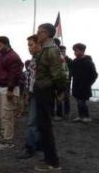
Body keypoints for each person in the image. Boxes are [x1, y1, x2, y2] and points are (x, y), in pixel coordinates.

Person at [32, 24, 66, 171]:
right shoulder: (44, 49)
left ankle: (53, 162)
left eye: (39, 32)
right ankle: (48, 157)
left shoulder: (52, 50)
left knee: (45, 126)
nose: (37, 34)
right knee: (42, 125)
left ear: (46, 33)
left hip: (46, 90)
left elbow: (58, 74)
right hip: (41, 89)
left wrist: (59, 91)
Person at [0, 36, 22, 151]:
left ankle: (8, 140)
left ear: (6, 44)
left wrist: (10, 89)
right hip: (1, 87)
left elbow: (15, 74)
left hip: (9, 89)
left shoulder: (12, 57)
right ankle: (4, 134)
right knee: (1, 114)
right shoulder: (1, 56)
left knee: (7, 116)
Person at [19, 35, 43, 160]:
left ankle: (29, 147)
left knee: (32, 122)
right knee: (36, 121)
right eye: (28, 45)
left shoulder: (44, 58)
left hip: (42, 94)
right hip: (34, 93)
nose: (29, 48)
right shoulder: (34, 58)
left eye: (31, 44)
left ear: (39, 44)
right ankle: (37, 144)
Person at [70, 43, 98, 123]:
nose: (75, 52)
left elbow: (94, 74)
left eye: (76, 51)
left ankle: (86, 117)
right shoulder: (74, 61)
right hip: (76, 85)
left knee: (82, 102)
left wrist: (88, 83)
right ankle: (80, 116)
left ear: (82, 50)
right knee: (78, 102)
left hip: (85, 86)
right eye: (74, 51)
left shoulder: (88, 61)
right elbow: (72, 72)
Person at [53, 46, 72, 121]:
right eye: (61, 51)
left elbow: (72, 70)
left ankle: (67, 113)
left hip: (67, 82)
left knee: (66, 97)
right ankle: (59, 114)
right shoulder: (55, 61)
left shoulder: (69, 60)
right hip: (58, 82)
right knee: (58, 98)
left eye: (64, 51)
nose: (62, 53)